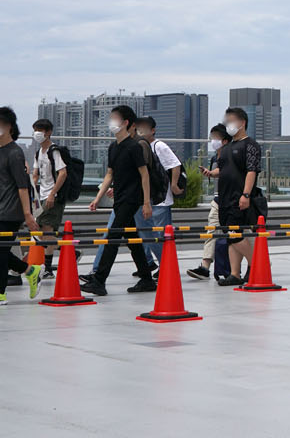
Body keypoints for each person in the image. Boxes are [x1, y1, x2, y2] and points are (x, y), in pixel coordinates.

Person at [80, 105, 155, 296]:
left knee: (112, 236)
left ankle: (99, 280)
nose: (111, 121)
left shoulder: (134, 146)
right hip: (120, 198)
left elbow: (144, 175)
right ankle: (146, 278)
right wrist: (97, 198)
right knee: (133, 239)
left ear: (126, 123)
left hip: (132, 199)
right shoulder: (113, 146)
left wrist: (146, 203)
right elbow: (109, 175)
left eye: (114, 118)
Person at [0, 107, 42, 306]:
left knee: (0, 253)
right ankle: (30, 271)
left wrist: (28, 215)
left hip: (11, 212)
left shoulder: (15, 153)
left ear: (8, 126)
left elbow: (22, 186)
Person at [215, 106, 263, 286]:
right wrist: (213, 173)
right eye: (226, 121)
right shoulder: (227, 147)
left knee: (235, 233)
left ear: (242, 123)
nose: (228, 124)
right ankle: (235, 274)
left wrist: (246, 194)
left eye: (231, 121)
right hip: (224, 197)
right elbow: (225, 169)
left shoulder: (250, 145)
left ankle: (257, 263)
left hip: (239, 197)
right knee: (230, 234)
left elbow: (252, 171)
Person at [135, 116, 183, 273]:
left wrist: (174, 185)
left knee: (161, 233)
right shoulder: (139, 146)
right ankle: (149, 262)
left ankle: (167, 266)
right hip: (147, 198)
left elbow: (175, 165)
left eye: (144, 128)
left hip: (161, 198)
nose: (140, 131)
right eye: (138, 128)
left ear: (153, 130)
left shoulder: (159, 146)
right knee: (145, 232)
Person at [188, 124, 230, 281]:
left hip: (231, 200)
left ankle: (259, 261)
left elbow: (222, 171)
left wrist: (211, 173)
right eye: (211, 138)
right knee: (211, 231)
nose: (212, 141)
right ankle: (205, 267)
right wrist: (210, 173)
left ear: (225, 140)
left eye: (215, 138)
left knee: (240, 235)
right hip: (217, 199)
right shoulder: (214, 157)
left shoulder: (231, 155)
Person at [30, 117, 70, 278]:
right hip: (41, 197)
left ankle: (47, 268)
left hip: (53, 197)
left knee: (46, 230)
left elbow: (63, 173)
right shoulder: (39, 152)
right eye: (36, 130)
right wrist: (32, 194)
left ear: (49, 132)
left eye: (41, 131)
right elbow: (35, 175)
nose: (37, 134)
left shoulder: (54, 151)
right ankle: (65, 251)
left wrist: (53, 193)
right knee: (39, 231)